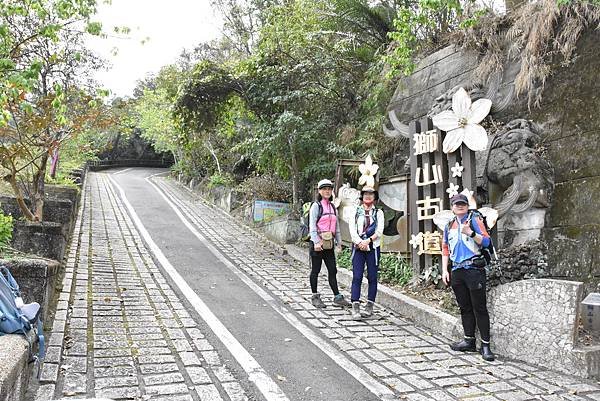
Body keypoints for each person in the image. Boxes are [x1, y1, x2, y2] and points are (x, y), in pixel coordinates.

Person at [441, 193, 495, 361]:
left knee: (479, 307)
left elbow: (487, 242)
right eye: (457, 204)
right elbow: (445, 248)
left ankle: (485, 345)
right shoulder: (449, 225)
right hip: (457, 270)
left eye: (463, 204)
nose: (460, 206)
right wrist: (444, 270)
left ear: (467, 205)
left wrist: (471, 233)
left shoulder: (474, 220)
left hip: (473, 269)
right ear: (452, 207)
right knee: (464, 307)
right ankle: (469, 340)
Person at [309, 179, 351, 308]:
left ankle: (337, 297)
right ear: (320, 191)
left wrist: (339, 243)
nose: (327, 191)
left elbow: (337, 227)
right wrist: (316, 242)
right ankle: (315, 296)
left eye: (329, 189)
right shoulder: (316, 206)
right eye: (324, 189)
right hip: (318, 243)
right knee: (315, 270)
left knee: (332, 270)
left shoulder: (333, 207)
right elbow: (312, 226)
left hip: (329, 244)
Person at [349, 186, 384, 320]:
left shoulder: (378, 212)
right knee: (357, 276)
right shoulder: (355, 211)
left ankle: (370, 306)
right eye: (366, 194)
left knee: (372, 277)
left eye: (371, 194)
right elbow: (352, 229)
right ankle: (355, 305)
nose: (368, 196)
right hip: (358, 247)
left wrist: (368, 241)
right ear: (362, 196)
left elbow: (379, 231)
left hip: (373, 247)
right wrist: (359, 242)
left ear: (374, 197)